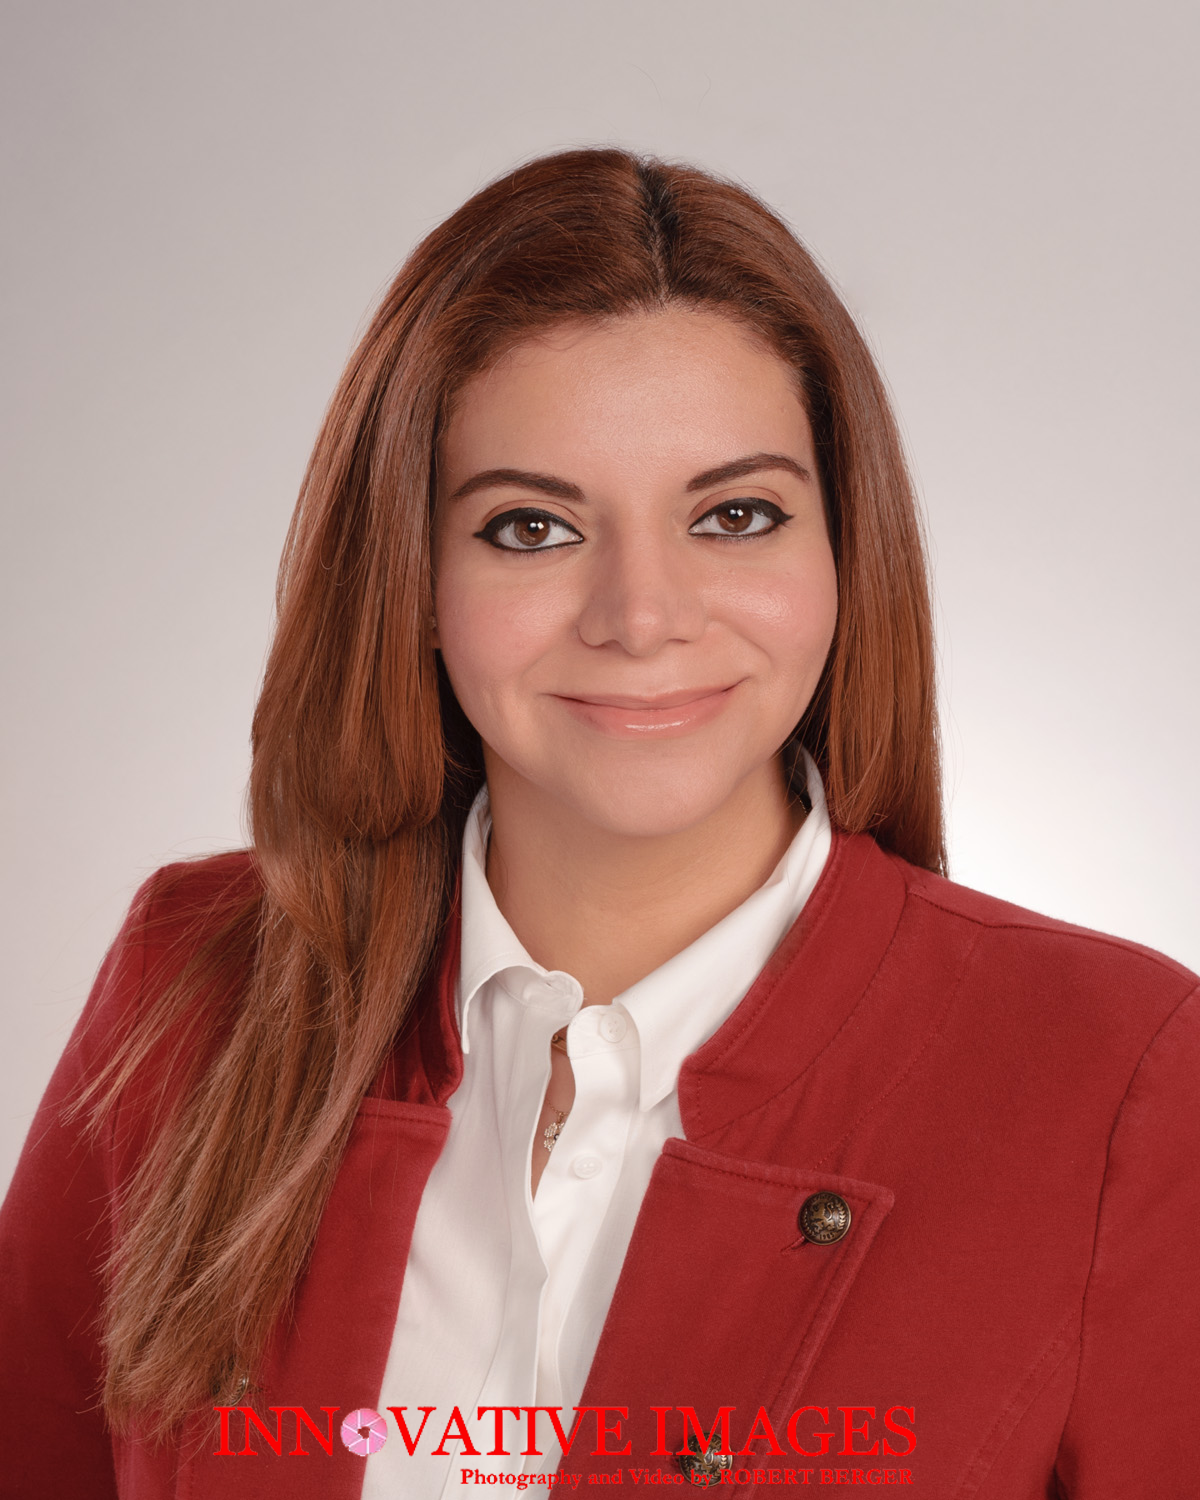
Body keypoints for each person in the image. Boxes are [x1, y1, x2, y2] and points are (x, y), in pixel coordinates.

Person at [0, 146, 1196, 1500]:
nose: (642, 615)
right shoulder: (195, 979)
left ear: (844, 550)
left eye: (735, 515)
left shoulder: (1119, 1077)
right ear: (411, 571)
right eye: (531, 527)